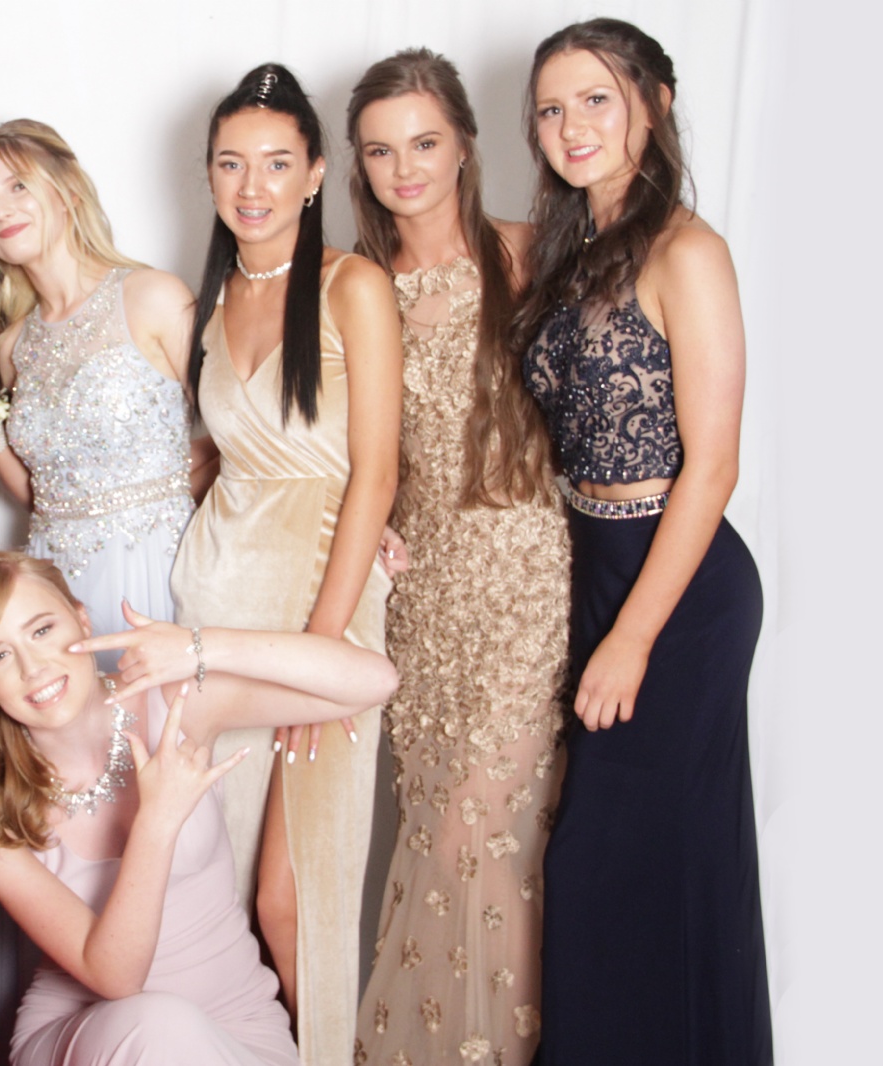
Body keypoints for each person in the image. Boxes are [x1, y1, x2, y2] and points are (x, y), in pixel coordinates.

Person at [516, 18, 771, 1064]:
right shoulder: (566, 253)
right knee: (630, 869)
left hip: (679, 588)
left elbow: (713, 465)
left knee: (616, 863)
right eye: (550, 108)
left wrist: (631, 638)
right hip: (593, 567)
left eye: (596, 99)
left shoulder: (687, 252)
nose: (570, 126)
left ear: (654, 105)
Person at [0, 551, 399, 1065]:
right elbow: (115, 977)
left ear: (81, 619)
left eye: (42, 630)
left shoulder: (173, 701)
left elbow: (373, 682)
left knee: (175, 1031)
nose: (32, 667)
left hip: (238, 1023)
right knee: (160, 1025)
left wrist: (199, 647)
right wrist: (157, 821)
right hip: (89, 1035)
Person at [168, 63, 401, 1064]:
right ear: (209, 174)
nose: (251, 185)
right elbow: (222, 455)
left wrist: (323, 650)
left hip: (321, 601)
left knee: (294, 893)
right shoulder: (212, 299)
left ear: (314, 174)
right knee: (215, 894)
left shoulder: (352, 286)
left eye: (275, 163)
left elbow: (376, 472)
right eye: (231, 163)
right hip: (216, 598)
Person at [344, 49, 570, 1066]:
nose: (406, 169)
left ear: (466, 145)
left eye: (425, 143)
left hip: (525, 581)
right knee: (435, 837)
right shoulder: (354, 287)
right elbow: (329, 444)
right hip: (422, 595)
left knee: (494, 837)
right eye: (381, 150)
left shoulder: (527, 256)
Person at [0, 120, 198, 667]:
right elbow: (38, 493)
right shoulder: (14, 346)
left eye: (19, 186)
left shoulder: (154, 297)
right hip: (56, 582)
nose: (1, 210)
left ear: (67, 191)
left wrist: (164, 490)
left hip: (157, 567)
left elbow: (240, 437)